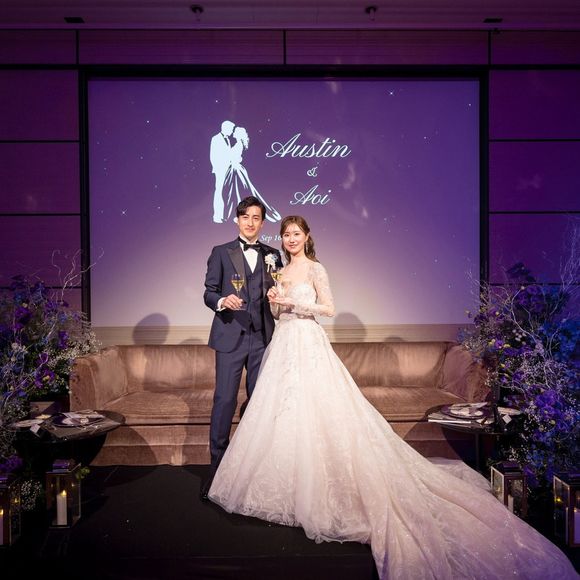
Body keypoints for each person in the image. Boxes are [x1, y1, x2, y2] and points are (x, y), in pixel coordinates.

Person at [208, 215, 578, 579]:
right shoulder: (281, 270)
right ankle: (285, 482)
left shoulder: (316, 268)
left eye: (296, 234)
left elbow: (329, 309)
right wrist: (276, 300)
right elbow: (276, 312)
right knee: (281, 413)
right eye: (286, 234)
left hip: (308, 341)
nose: (290, 240)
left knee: (317, 410)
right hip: (283, 344)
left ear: (306, 236)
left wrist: (295, 305)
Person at [201, 196, 283, 500]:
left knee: (260, 403)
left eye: (256, 218)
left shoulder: (273, 255)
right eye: (245, 217)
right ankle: (217, 471)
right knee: (224, 401)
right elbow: (209, 292)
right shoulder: (221, 252)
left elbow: (278, 290)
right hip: (230, 337)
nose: (250, 222)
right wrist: (223, 301)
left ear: (262, 223)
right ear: (237, 220)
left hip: (262, 339)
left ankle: (254, 470)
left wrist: (277, 297)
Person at [222, 126, 281, 223]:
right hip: (234, 169)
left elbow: (235, 157)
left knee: (239, 190)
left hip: (236, 169)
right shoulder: (238, 144)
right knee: (233, 191)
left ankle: (241, 214)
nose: (233, 133)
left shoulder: (238, 145)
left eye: (235, 132)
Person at [210, 120, 235, 223]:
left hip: (227, 169)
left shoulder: (228, 139)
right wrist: (218, 168)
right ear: (226, 128)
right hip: (220, 170)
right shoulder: (216, 139)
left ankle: (223, 215)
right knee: (219, 192)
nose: (232, 131)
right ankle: (217, 216)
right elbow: (213, 156)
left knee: (225, 192)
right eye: (231, 129)